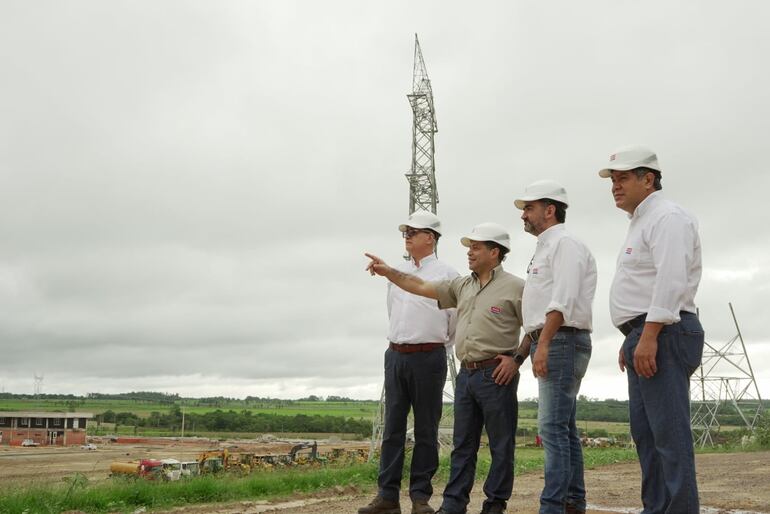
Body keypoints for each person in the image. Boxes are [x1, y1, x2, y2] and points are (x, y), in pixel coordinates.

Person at [366, 222, 525, 514]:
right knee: (463, 445)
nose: (470, 252)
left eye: (476, 247)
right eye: (469, 248)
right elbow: (419, 286)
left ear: (495, 251)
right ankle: (453, 504)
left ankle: (494, 505)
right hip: (466, 372)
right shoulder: (462, 284)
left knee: (500, 444)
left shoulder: (516, 287)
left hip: (494, 373)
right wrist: (389, 271)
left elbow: (536, 324)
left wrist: (517, 359)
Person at [600, 145, 704, 513]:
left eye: (623, 178)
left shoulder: (668, 217)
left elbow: (670, 279)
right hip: (646, 333)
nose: (615, 185)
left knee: (669, 436)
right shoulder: (641, 222)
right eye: (613, 179)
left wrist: (648, 335)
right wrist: (632, 336)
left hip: (664, 332)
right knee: (647, 436)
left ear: (649, 179)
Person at [359, 210, 459, 514]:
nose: (407, 236)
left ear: (430, 237)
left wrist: (434, 343)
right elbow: (394, 312)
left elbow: (453, 321)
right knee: (393, 428)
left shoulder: (448, 274)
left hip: (428, 356)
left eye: (413, 232)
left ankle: (420, 497)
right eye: (405, 232)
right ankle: (387, 496)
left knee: (426, 428)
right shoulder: (396, 273)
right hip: (396, 355)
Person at [514, 180, 597, 514]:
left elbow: (562, 300)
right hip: (554, 339)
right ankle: (573, 501)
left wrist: (544, 343)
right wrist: (530, 346)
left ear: (550, 210)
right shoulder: (548, 246)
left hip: (561, 339)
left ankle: (553, 506)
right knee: (564, 428)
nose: (524, 214)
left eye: (529, 208)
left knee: (551, 428)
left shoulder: (564, 243)